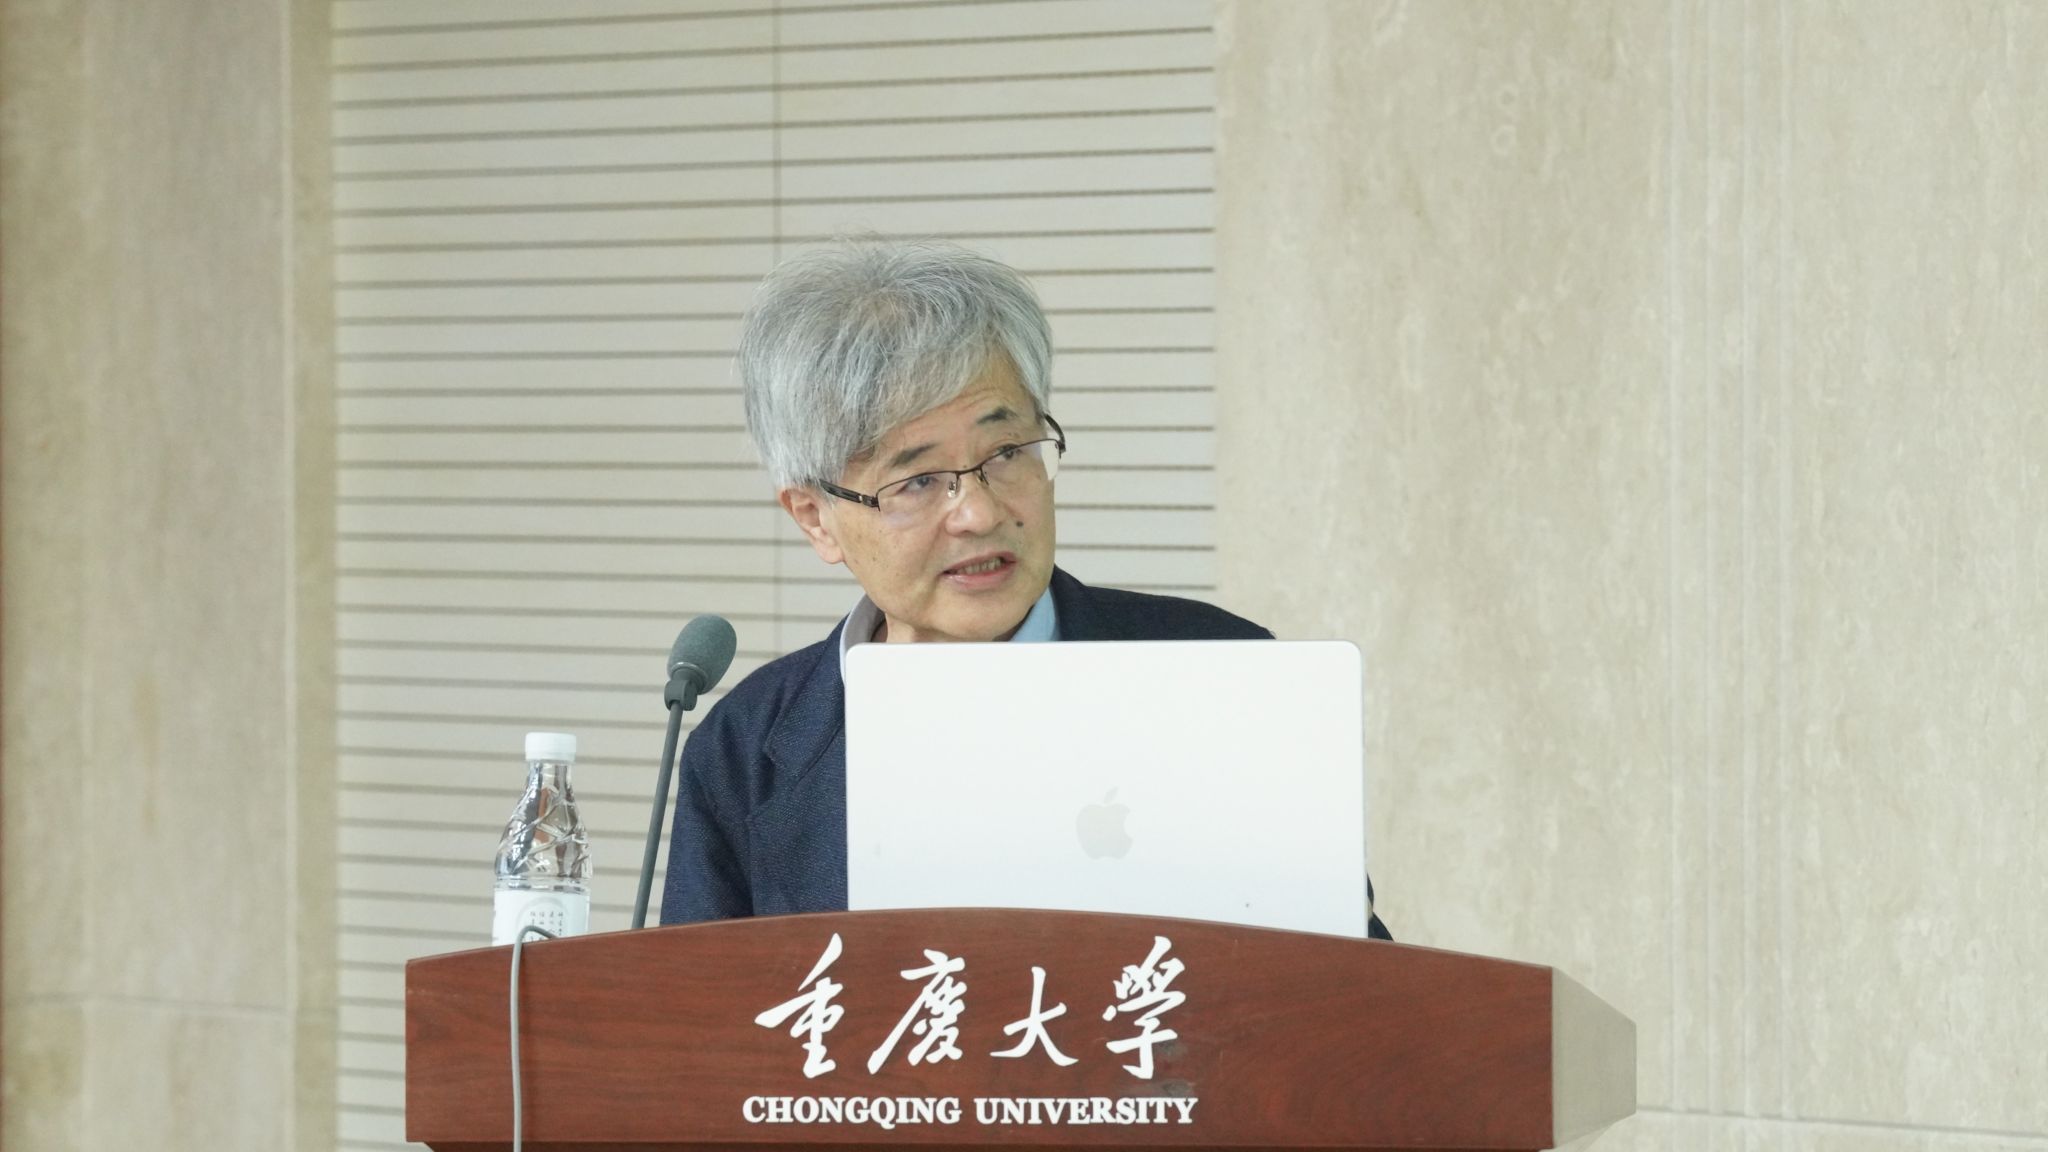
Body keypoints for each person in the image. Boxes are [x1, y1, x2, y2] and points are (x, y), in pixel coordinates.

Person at [660, 238, 1389, 940]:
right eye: (918, 480)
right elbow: (697, 1017)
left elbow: (1359, 996)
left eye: (1007, 451)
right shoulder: (745, 751)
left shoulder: (1230, 675)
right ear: (817, 519)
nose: (979, 513)